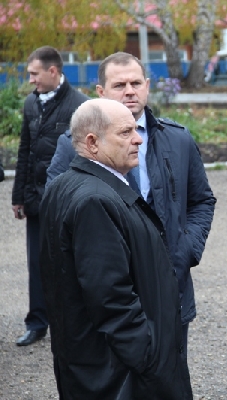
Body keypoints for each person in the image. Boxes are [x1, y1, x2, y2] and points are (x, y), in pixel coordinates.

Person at [46, 52, 216, 360]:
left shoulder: (177, 139)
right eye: (119, 85)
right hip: (112, 292)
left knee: (170, 371)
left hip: (170, 286)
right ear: (100, 92)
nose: (129, 91)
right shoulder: (75, 144)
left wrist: (187, 248)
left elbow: (202, 199)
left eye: (136, 83)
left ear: (147, 86)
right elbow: (57, 209)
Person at [40, 98, 193, 399]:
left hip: (98, 366)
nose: (138, 139)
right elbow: (110, 297)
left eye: (135, 130)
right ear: (92, 143)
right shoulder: (95, 200)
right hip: (116, 376)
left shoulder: (70, 185)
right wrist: (148, 359)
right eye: (125, 133)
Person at [11, 46, 88, 346]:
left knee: (71, 261)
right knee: (37, 263)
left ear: (52, 71)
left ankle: (74, 323)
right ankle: (37, 322)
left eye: (34, 74)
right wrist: (19, 196)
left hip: (67, 201)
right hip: (35, 199)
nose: (30, 80)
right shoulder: (31, 103)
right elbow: (25, 150)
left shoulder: (80, 105)